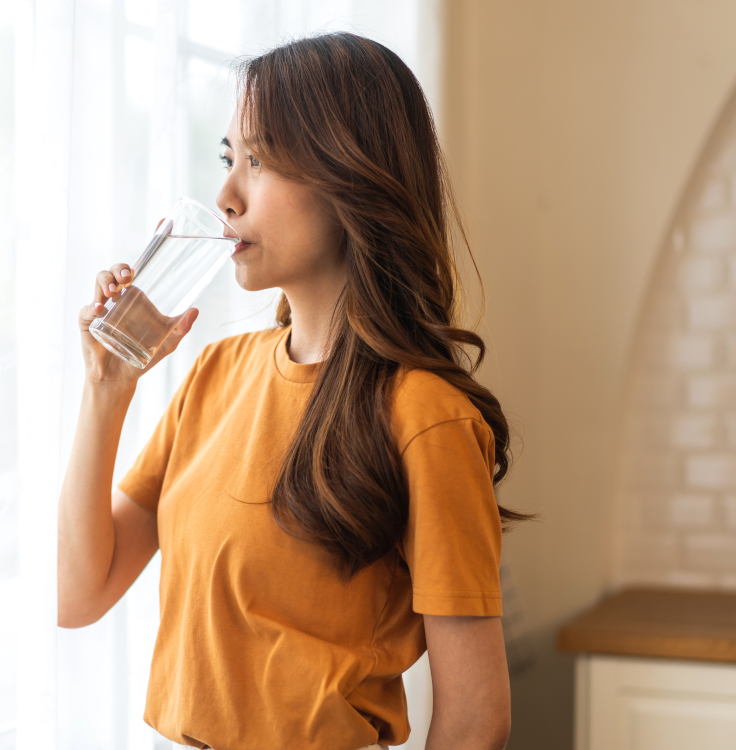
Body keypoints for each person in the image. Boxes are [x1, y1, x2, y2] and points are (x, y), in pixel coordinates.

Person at [58, 32, 526, 750]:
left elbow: (477, 717)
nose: (226, 196)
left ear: (353, 179)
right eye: (227, 157)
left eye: (261, 160)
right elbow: (79, 593)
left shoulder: (425, 417)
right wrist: (105, 387)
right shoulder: (214, 374)